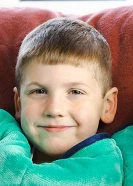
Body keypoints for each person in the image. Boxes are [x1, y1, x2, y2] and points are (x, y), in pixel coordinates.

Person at [13, 17, 118, 164]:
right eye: (39, 91)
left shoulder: (121, 165)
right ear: (19, 104)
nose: (54, 110)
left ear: (107, 106)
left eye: (75, 92)